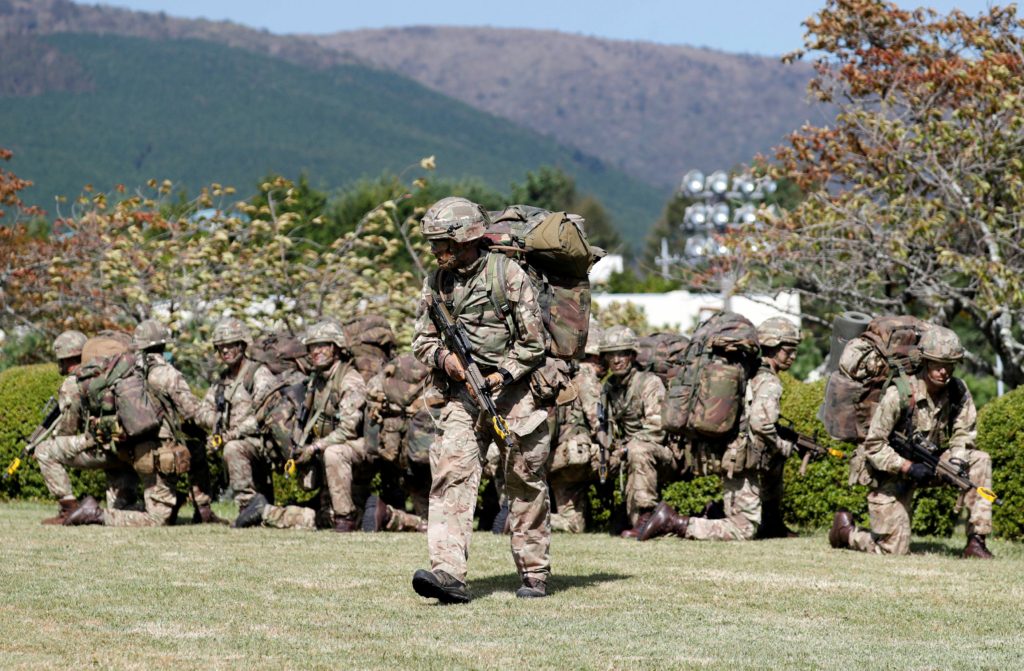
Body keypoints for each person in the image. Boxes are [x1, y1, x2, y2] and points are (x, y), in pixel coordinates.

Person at [410, 196, 551, 603]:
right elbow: (421, 340)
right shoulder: (437, 282)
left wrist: (498, 375)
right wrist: (446, 360)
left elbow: (533, 344)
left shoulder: (508, 275)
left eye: (441, 243)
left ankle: (534, 572)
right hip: (462, 395)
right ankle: (448, 573)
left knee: (523, 481)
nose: (436, 251)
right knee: (451, 474)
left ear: (465, 238)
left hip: (516, 390)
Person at [828, 326, 994, 558]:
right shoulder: (900, 395)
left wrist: (956, 462)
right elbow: (874, 445)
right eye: (937, 364)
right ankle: (846, 533)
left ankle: (976, 542)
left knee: (980, 460)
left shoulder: (957, 390)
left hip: (933, 463)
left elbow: (964, 433)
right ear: (925, 362)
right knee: (893, 550)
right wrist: (907, 467)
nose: (944, 371)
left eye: (949, 365)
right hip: (892, 471)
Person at [639, 316, 802, 543]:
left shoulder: (746, 370)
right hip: (742, 458)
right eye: (788, 350)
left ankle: (766, 522)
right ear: (772, 347)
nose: (793, 356)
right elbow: (761, 424)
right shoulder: (768, 380)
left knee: (748, 509)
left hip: (731, 452)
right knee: (743, 529)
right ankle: (674, 522)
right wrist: (782, 445)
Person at [66, 320, 217, 526]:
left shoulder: (124, 370)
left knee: (196, 447)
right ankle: (96, 514)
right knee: (156, 519)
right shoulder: (166, 373)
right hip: (156, 450)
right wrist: (219, 419)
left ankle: (202, 511)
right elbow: (193, 412)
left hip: (126, 447)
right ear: (163, 345)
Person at [233, 320, 370, 532]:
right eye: (312, 347)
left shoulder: (349, 381)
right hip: (329, 454)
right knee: (324, 518)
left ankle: (347, 519)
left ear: (336, 348)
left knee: (334, 453)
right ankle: (266, 511)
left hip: (354, 451)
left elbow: (349, 430)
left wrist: (314, 448)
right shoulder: (317, 382)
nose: (316, 352)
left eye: (322, 346)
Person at [34, 330, 139, 524]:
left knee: (44, 450)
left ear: (65, 359)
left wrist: (58, 441)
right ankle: (126, 505)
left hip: (101, 445)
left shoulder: (74, 383)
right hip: (130, 445)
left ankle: (68, 510)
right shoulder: (119, 375)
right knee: (119, 508)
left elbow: (68, 428)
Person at [599, 325, 673, 538]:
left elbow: (658, 429)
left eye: (621, 353)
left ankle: (647, 516)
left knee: (638, 451)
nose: (616, 360)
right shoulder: (610, 387)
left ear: (631, 355)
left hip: (661, 451)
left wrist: (625, 448)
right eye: (611, 355)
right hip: (628, 449)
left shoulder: (649, 383)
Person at [199, 317, 278, 516]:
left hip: (260, 443)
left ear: (242, 346)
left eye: (230, 346)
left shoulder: (258, 374)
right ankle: (202, 508)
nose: (224, 351)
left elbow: (265, 415)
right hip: (235, 443)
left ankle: (247, 507)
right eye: (220, 347)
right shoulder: (222, 380)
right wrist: (216, 423)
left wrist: (232, 435)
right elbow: (202, 411)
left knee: (233, 448)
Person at [548, 325, 604, 533]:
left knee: (573, 525)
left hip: (553, 457)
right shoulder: (586, 377)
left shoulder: (558, 372)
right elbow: (597, 422)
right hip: (573, 459)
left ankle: (524, 517)